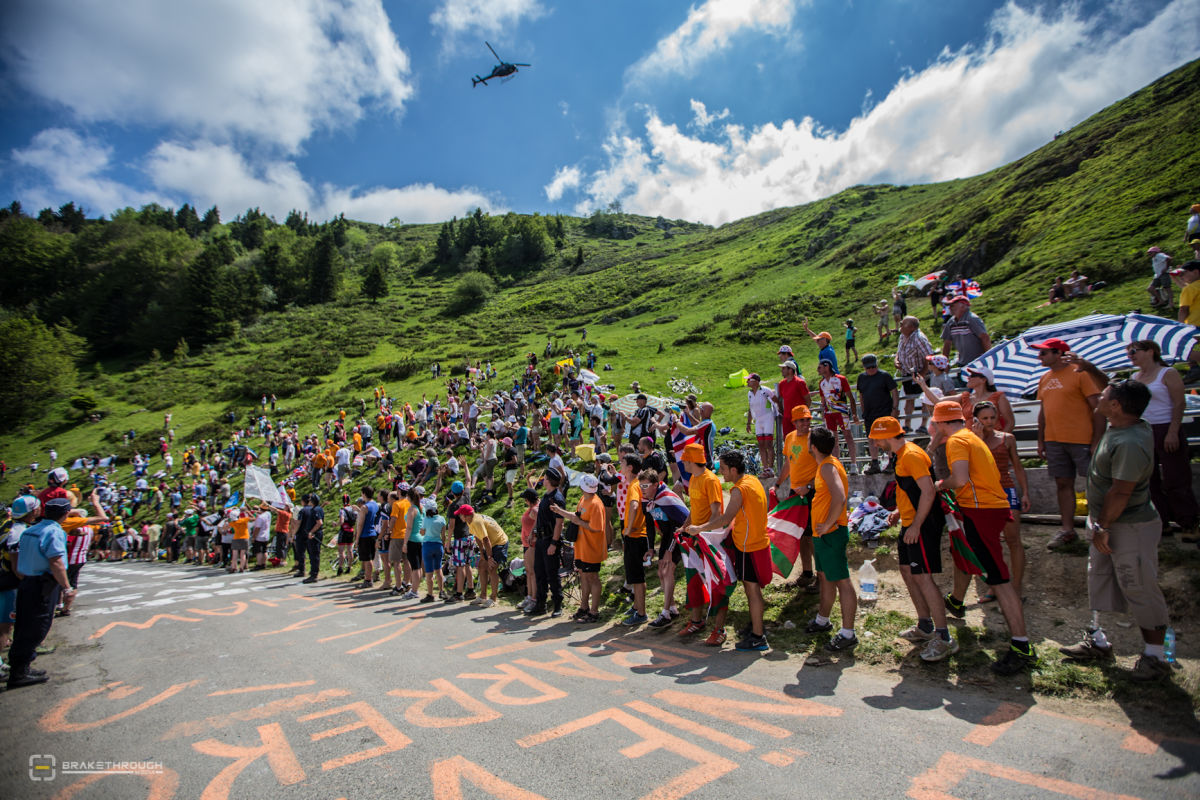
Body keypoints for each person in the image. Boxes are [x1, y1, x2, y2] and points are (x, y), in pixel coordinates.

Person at [1059, 381, 1173, 681]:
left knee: (1138, 585)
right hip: (1107, 522)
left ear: (1116, 406)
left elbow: (1121, 491)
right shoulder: (1122, 426)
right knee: (1099, 577)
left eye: (1104, 396)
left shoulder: (1131, 442)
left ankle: (1157, 656)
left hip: (1128, 525)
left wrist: (1104, 527)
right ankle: (1097, 641)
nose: (1098, 397)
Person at [931, 400, 1036, 676]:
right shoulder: (971, 437)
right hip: (989, 507)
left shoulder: (957, 442)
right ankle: (956, 600)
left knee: (999, 579)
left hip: (982, 511)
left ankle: (1022, 646)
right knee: (970, 557)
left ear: (940, 423)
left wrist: (938, 485)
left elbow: (959, 479)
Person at [868, 417, 956, 661]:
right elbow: (911, 489)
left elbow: (928, 491)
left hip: (922, 524)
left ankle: (944, 637)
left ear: (886, 436)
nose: (875, 444)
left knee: (923, 577)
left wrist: (916, 524)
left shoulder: (912, 455)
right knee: (908, 572)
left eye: (876, 439)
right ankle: (925, 625)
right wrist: (899, 511)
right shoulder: (901, 455)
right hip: (910, 521)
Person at [684, 451, 770, 652]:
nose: (720, 472)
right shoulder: (752, 480)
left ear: (733, 469)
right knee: (752, 589)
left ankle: (758, 636)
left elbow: (724, 518)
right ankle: (756, 628)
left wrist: (699, 529)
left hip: (748, 545)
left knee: (752, 590)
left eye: (723, 469)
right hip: (755, 542)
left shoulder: (739, 490)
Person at [1033, 338, 1105, 549]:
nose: (1039, 356)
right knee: (1062, 484)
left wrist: (1097, 439)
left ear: (1059, 353)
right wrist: (1041, 439)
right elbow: (1044, 411)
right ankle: (1067, 530)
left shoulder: (1080, 373)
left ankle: (1102, 527)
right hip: (1054, 440)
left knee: (1095, 484)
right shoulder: (1044, 378)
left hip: (1082, 439)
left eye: (1044, 353)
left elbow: (1098, 408)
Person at [1127, 339, 1198, 541]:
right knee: (1149, 480)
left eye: (1134, 351)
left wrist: (1173, 431)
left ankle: (1189, 523)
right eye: (1129, 353)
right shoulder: (1134, 377)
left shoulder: (1168, 373)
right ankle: (1161, 522)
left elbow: (1179, 403)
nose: (1131, 356)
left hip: (1166, 427)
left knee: (1176, 477)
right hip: (1143, 431)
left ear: (1151, 351)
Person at [8, 496, 75, 688]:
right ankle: (19, 673)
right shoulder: (54, 531)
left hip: (27, 581)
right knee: (37, 627)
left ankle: (22, 666)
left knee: (24, 626)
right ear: (65, 514)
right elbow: (56, 561)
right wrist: (67, 587)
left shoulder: (30, 530)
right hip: (42, 584)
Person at [802, 427, 858, 653]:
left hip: (831, 533)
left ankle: (848, 633)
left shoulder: (827, 467)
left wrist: (828, 524)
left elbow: (840, 497)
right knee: (825, 577)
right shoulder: (826, 464)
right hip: (824, 534)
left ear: (814, 447)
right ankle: (822, 620)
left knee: (842, 580)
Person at [973, 401, 1030, 598]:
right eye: (985, 418)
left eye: (992, 417)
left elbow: (1018, 466)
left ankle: (1017, 587)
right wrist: (978, 440)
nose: (989, 422)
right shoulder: (971, 440)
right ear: (976, 420)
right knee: (990, 543)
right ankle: (996, 585)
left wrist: (1025, 492)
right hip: (984, 493)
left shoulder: (1007, 439)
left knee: (1013, 540)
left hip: (1006, 490)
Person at [675, 443, 727, 643]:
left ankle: (719, 629)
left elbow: (717, 514)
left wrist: (702, 531)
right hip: (695, 539)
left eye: (684, 460)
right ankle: (697, 621)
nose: (682, 463)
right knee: (694, 580)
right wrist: (684, 526)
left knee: (717, 583)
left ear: (691, 461)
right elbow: (694, 509)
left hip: (710, 541)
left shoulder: (710, 480)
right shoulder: (694, 478)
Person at [774, 405, 818, 593]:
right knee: (801, 534)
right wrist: (778, 484)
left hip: (812, 492)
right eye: (801, 420)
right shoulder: (790, 438)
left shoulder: (815, 438)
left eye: (807, 419)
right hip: (796, 492)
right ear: (794, 422)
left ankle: (822, 577)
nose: (805, 423)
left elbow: (824, 466)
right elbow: (789, 463)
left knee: (814, 536)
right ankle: (807, 573)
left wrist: (809, 486)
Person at [553, 474, 606, 621]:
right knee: (583, 576)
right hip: (581, 547)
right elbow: (576, 516)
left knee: (593, 578)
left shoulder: (595, 504)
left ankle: (594, 612)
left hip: (592, 548)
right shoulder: (584, 499)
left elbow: (597, 527)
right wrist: (559, 511)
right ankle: (584, 607)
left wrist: (579, 522)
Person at [527, 467, 565, 617]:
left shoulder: (556, 498)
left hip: (550, 539)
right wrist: (534, 532)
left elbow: (559, 523)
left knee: (552, 574)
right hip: (541, 539)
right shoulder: (547, 495)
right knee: (540, 572)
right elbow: (541, 518)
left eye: (545, 478)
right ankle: (540, 604)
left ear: (549, 480)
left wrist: (554, 543)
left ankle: (558, 605)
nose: (543, 480)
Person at [615, 455, 649, 626]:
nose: (619, 464)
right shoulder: (635, 484)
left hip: (635, 536)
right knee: (636, 576)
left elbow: (635, 505)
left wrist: (628, 529)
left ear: (629, 467)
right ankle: (637, 607)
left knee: (637, 578)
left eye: (622, 462)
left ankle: (641, 613)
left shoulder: (634, 485)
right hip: (637, 535)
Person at [856, 354, 898, 474]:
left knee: (887, 437)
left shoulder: (884, 376)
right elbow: (861, 395)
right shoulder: (861, 378)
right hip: (869, 414)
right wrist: (863, 411)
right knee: (871, 438)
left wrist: (894, 409)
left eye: (873, 367)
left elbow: (894, 392)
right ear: (864, 367)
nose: (871, 369)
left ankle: (891, 461)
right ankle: (875, 463)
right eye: (868, 368)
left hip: (884, 412)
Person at [459, 504, 508, 607]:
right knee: (481, 566)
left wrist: (489, 557)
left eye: (460, 515)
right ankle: (483, 596)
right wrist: (482, 553)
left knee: (492, 568)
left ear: (466, 515)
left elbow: (485, 539)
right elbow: (477, 537)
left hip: (499, 542)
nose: (459, 517)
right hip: (490, 543)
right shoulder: (470, 521)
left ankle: (493, 598)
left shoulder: (476, 522)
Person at [816, 359, 858, 474]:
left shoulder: (841, 379)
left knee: (848, 436)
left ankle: (854, 464)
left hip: (841, 411)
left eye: (820, 367)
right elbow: (823, 401)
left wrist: (854, 414)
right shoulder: (821, 383)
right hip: (829, 414)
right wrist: (823, 413)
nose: (818, 370)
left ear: (827, 367)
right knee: (833, 439)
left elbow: (851, 398)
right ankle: (837, 465)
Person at [893, 316, 934, 431]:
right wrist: (896, 360)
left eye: (902, 324)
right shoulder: (903, 336)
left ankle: (924, 425)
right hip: (907, 373)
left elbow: (929, 356)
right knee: (909, 398)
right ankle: (907, 424)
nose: (900, 326)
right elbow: (899, 351)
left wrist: (922, 373)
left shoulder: (919, 338)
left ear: (911, 327)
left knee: (925, 398)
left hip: (920, 372)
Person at [940, 295, 992, 367]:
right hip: (963, 362)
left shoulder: (972, 319)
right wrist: (945, 363)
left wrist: (988, 358)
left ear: (963, 306)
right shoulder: (951, 322)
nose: (950, 308)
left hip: (978, 362)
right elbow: (947, 343)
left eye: (952, 306)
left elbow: (985, 338)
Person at [745, 373, 777, 479]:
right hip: (758, 420)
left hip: (768, 418)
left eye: (749, 380)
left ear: (756, 381)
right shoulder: (749, 393)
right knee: (761, 444)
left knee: (768, 444)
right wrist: (748, 423)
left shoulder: (765, 390)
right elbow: (750, 408)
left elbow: (776, 400)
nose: (747, 382)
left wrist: (779, 412)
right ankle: (765, 468)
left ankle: (770, 468)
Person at [1175, 261, 1200, 383]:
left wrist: (1179, 328)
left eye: (1183, 273)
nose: (1181, 277)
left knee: (1179, 346)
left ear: (1195, 272)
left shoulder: (1190, 288)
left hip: (1195, 325)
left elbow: (1183, 309)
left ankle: (1194, 368)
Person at [517, 487, 540, 611]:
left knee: (532, 572)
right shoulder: (533, 507)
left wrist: (532, 533)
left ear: (528, 500)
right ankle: (529, 596)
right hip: (527, 544)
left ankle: (534, 598)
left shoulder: (535, 510)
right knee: (529, 571)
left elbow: (539, 520)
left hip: (532, 544)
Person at [294, 494, 323, 582]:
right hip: (314, 533)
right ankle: (313, 572)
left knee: (313, 554)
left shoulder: (314, 510)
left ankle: (314, 574)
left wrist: (311, 532)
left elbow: (319, 522)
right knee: (312, 554)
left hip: (314, 534)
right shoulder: (318, 509)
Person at [354, 488, 378, 587]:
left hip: (365, 534)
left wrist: (357, 538)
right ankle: (368, 578)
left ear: (364, 494)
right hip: (373, 533)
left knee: (367, 559)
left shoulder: (365, 507)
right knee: (370, 557)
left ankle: (368, 579)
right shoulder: (375, 504)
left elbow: (360, 524)